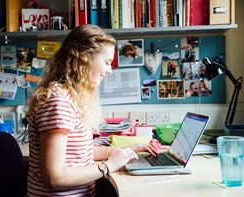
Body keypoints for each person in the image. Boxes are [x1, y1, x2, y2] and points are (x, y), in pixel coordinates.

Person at [25, 24, 159, 197]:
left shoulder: (70, 97)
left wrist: (128, 151)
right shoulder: (58, 102)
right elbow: (54, 177)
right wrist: (108, 166)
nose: (109, 70)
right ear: (85, 58)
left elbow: (81, 153)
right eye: (107, 62)